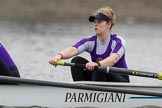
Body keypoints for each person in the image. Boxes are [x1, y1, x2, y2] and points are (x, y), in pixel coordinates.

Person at [49, 6, 129, 82]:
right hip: (99, 78)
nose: (95, 24)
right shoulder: (90, 41)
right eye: (95, 22)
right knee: (76, 60)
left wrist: (97, 64)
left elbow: (113, 59)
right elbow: (73, 50)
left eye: (99, 22)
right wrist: (58, 56)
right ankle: (81, 91)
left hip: (120, 80)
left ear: (108, 24)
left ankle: (94, 91)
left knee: (99, 68)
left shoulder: (118, 41)